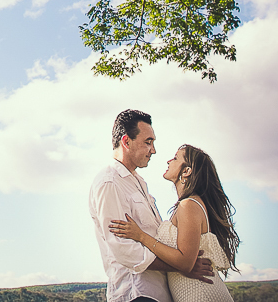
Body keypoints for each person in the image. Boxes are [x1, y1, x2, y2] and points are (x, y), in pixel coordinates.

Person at [89, 110, 213, 302]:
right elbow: (124, 250)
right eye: (148, 142)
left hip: (159, 293)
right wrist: (182, 266)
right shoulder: (110, 182)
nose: (153, 150)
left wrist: (183, 261)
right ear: (126, 141)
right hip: (136, 293)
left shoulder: (139, 183)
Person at [109, 144, 239, 302]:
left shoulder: (189, 205)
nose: (169, 161)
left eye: (176, 158)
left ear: (186, 171)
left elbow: (185, 263)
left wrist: (141, 236)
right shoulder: (186, 205)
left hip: (201, 294)